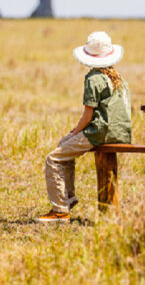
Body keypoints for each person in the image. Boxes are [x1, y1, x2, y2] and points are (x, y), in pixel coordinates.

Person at [36, 31, 132, 223]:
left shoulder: (93, 78)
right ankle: (67, 199)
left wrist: (74, 132)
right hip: (121, 133)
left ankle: (60, 209)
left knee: (53, 158)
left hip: (100, 133)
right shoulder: (118, 77)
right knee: (65, 148)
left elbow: (88, 115)